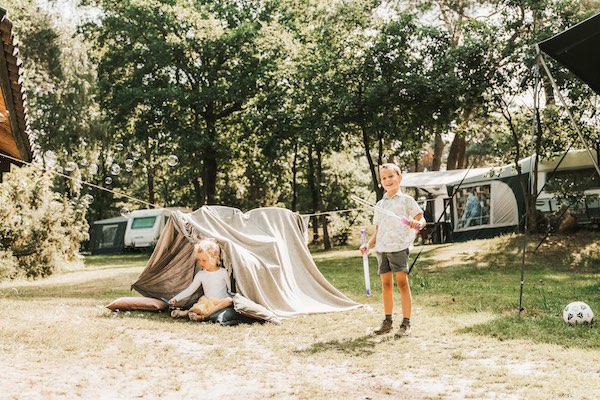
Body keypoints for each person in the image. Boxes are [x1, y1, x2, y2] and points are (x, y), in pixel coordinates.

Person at [361, 163, 425, 338]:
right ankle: (387, 321)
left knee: (402, 283)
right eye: (384, 178)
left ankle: (406, 323)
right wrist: (368, 244)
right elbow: (379, 230)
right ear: (381, 182)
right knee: (386, 285)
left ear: (400, 177)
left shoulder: (406, 200)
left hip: (399, 247)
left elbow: (420, 218)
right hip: (382, 249)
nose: (387, 180)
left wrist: (418, 223)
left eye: (391, 176)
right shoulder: (380, 204)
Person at [169, 239, 257, 326]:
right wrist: (176, 298)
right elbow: (190, 290)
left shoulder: (223, 272)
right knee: (195, 309)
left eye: (204, 260)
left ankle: (198, 316)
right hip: (207, 302)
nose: (201, 263)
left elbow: (230, 290)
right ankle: (190, 313)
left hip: (220, 302)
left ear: (215, 258)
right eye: (199, 260)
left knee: (229, 300)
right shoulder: (201, 275)